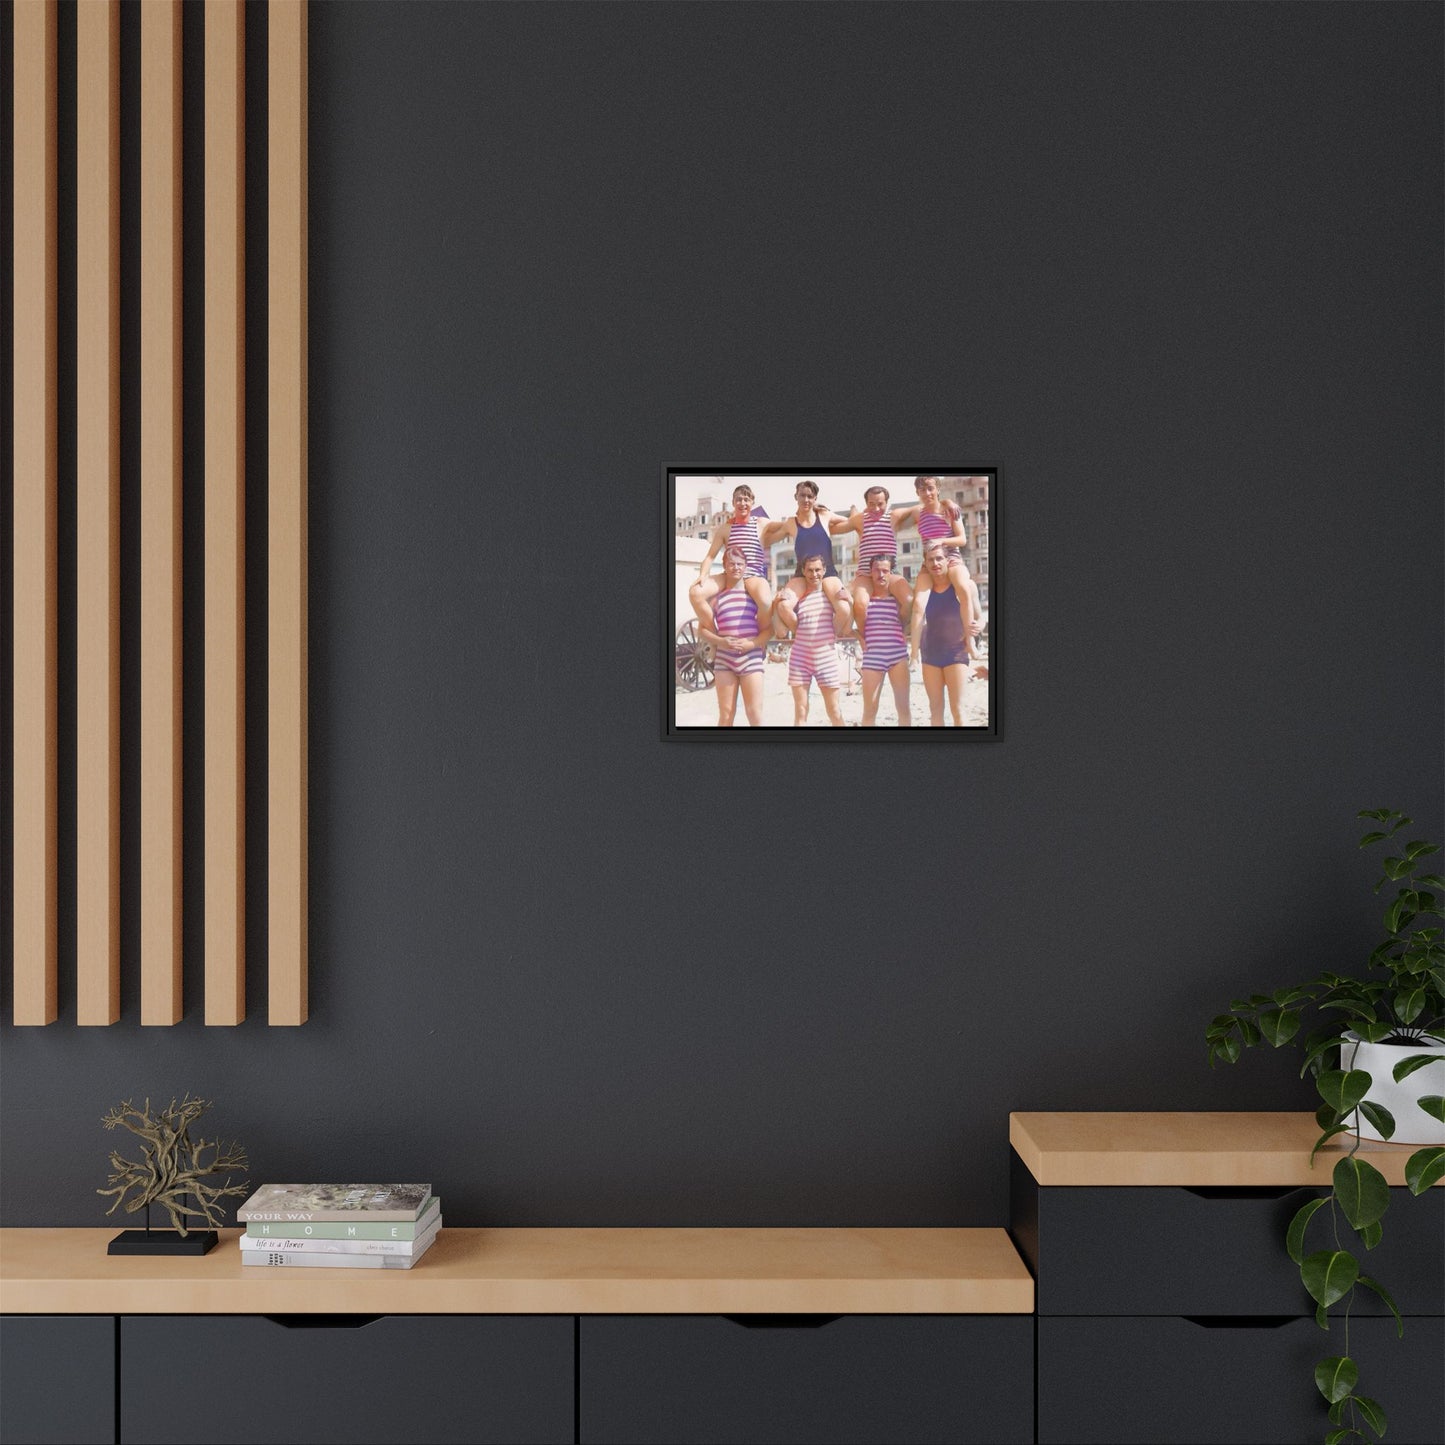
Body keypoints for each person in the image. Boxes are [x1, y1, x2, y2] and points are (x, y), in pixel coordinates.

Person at [697, 545, 773, 727]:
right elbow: (701, 630)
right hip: (725, 660)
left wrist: (752, 644)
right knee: (726, 714)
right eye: (731, 564)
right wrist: (720, 641)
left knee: (754, 714)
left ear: (746, 566)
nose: (736, 568)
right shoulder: (715, 598)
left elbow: (769, 630)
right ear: (724, 566)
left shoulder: (754, 596)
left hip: (751, 658)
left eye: (740, 564)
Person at [823, 485, 912, 637]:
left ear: (887, 503)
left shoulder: (894, 516)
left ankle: (899, 631)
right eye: (871, 504)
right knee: (861, 605)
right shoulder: (860, 520)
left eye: (880, 504)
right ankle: (867, 638)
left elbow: (920, 509)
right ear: (866, 504)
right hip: (865, 574)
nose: (876, 508)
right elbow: (834, 529)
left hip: (890, 572)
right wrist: (825, 514)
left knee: (909, 601)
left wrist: (947, 504)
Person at [774, 554, 851, 726]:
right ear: (803, 571)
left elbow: (845, 627)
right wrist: (776, 604)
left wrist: (850, 601)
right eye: (809, 570)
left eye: (817, 570)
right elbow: (780, 630)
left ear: (824, 570)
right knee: (801, 710)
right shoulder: (797, 599)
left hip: (826, 658)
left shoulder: (831, 598)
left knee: (834, 711)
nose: (814, 574)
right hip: (800, 659)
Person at [910, 540, 978, 726]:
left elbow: (981, 618)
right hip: (930, 654)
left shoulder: (965, 586)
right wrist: (914, 655)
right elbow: (916, 614)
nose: (935, 563)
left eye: (939, 558)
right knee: (935, 710)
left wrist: (977, 626)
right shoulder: (924, 590)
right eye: (931, 560)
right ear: (925, 563)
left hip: (956, 652)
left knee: (958, 710)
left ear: (948, 560)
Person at [762, 480, 839, 639]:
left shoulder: (824, 516)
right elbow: (768, 540)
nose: (806, 500)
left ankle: (828, 638)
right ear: (795, 497)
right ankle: (805, 637)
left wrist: (827, 512)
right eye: (802, 495)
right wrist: (757, 524)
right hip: (802, 574)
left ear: (815, 498)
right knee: (783, 605)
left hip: (828, 573)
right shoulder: (791, 523)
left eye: (810, 496)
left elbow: (851, 522)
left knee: (844, 607)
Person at [688, 484, 771, 632]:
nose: (742, 503)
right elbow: (710, 556)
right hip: (730, 574)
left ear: (752, 502)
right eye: (738, 500)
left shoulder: (760, 523)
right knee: (695, 593)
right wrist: (703, 575)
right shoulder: (726, 528)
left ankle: (760, 640)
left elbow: (786, 526)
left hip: (753, 575)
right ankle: (715, 633)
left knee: (765, 601)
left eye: (746, 499)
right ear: (733, 503)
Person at [856, 555, 914, 727]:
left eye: (885, 571)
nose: (881, 574)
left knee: (903, 708)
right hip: (873, 657)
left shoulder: (898, 601)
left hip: (898, 656)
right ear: (870, 573)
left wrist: (905, 630)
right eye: (876, 570)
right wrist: (857, 636)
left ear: (891, 573)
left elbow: (911, 619)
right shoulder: (863, 601)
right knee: (870, 710)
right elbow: (846, 627)